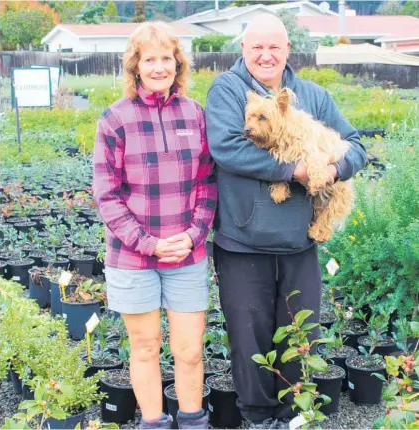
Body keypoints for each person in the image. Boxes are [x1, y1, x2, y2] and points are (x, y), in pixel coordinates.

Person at [205, 14, 367, 429]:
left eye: (274, 46)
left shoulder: (311, 95)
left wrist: (335, 169)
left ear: (288, 50)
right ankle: (259, 418)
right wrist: (293, 170)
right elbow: (226, 149)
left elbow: (357, 146)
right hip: (243, 240)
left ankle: (293, 415)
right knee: (249, 336)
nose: (266, 55)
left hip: (299, 242)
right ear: (243, 49)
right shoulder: (228, 90)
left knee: (301, 334)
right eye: (257, 46)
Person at [93, 21, 217, 430]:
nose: (159, 67)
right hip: (132, 258)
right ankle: (153, 422)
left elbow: (207, 183)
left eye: (167, 58)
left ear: (177, 64)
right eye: (150, 59)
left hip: (186, 253)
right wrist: (147, 243)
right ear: (136, 66)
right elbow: (106, 195)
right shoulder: (115, 119)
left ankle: (193, 420)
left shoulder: (195, 114)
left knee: (189, 350)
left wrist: (193, 235)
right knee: (145, 347)